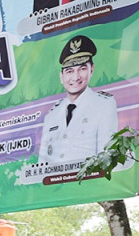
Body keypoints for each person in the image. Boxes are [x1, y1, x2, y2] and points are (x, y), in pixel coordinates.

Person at [38, 36, 119, 164]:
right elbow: (42, 162)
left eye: (82, 69)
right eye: (69, 71)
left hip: (87, 182)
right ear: (62, 76)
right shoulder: (52, 115)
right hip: (54, 183)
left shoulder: (104, 105)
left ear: (91, 70)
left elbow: (106, 157)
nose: (75, 77)